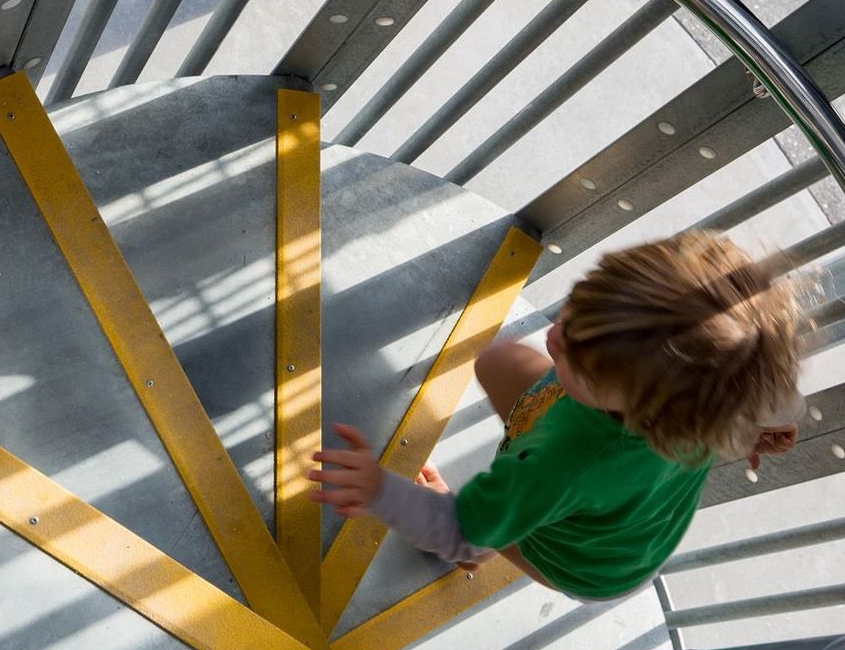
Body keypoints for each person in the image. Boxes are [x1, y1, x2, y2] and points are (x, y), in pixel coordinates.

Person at [309, 231, 806, 600]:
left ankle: (486, 543)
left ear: (642, 406)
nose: (553, 337)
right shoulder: (717, 396)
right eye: (575, 312)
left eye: (580, 362)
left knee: (482, 530)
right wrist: (769, 429)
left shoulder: (565, 464)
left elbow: (458, 530)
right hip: (631, 525)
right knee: (497, 361)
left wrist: (378, 490)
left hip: (579, 562)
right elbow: (774, 395)